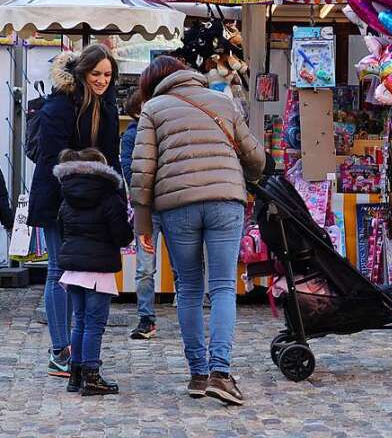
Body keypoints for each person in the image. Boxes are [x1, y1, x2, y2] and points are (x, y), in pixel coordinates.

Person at [130, 56, 265, 404]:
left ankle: (198, 374)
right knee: (221, 287)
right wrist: (246, 177)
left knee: (188, 288)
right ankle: (221, 373)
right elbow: (256, 157)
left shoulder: (153, 109)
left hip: (177, 206)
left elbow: (142, 170)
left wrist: (143, 223)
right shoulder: (222, 101)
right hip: (224, 199)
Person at [27, 45, 119, 378]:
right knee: (57, 270)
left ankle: (76, 349)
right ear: (82, 73)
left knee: (82, 271)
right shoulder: (58, 106)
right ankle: (59, 350)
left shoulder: (107, 107)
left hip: (91, 200)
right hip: (56, 197)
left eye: (108, 75)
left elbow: (112, 157)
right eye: (96, 74)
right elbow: (52, 158)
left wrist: (114, 194)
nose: (102, 80)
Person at [55, 148, 134, 395]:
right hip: (98, 270)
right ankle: (91, 375)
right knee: (94, 325)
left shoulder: (67, 196)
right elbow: (121, 235)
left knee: (79, 322)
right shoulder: (110, 198)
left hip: (74, 269)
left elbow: (61, 229)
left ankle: (75, 374)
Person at [120, 89, 160, 340]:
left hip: (168, 202)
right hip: (146, 206)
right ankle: (146, 317)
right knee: (145, 266)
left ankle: (187, 311)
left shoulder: (163, 128)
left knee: (182, 265)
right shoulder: (132, 135)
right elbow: (127, 168)